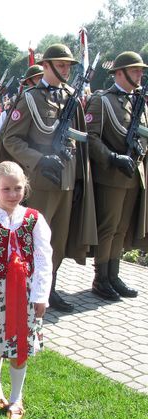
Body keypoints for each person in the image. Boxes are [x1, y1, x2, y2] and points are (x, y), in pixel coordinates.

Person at [1, 44, 97, 312]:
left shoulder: (71, 97)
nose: (66, 69)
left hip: (66, 181)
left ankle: (48, 289)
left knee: (58, 240)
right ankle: (25, 290)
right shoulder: (30, 98)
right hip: (41, 181)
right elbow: (10, 138)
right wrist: (40, 159)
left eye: (68, 65)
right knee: (34, 240)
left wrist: (78, 180)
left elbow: (80, 143)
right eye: (62, 64)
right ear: (47, 66)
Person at [0, 161, 52, 419]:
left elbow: (43, 258)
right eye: (7, 189)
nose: (13, 194)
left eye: (18, 188)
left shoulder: (34, 219)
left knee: (21, 347)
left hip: (25, 296)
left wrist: (41, 295)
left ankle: (17, 397)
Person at [85, 51, 148, 300]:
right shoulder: (103, 101)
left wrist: (140, 148)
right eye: (135, 70)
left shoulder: (139, 102)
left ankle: (113, 274)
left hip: (134, 174)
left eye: (141, 70)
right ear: (119, 73)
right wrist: (112, 157)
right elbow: (91, 137)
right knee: (108, 228)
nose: (140, 74)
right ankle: (101, 278)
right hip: (111, 175)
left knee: (121, 228)